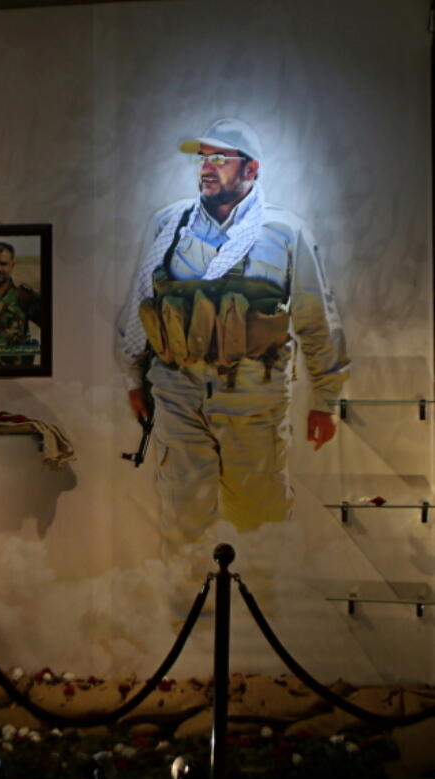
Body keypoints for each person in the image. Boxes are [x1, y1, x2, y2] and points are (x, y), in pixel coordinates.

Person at [115, 118, 350, 546]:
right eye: (203, 158)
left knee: (259, 519)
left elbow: (317, 320)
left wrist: (326, 400)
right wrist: (134, 379)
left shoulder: (285, 232)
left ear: (251, 169)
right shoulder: (169, 226)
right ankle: (189, 611)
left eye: (220, 158)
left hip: (254, 400)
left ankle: (259, 609)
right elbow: (140, 307)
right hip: (178, 396)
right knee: (183, 519)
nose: (207, 167)